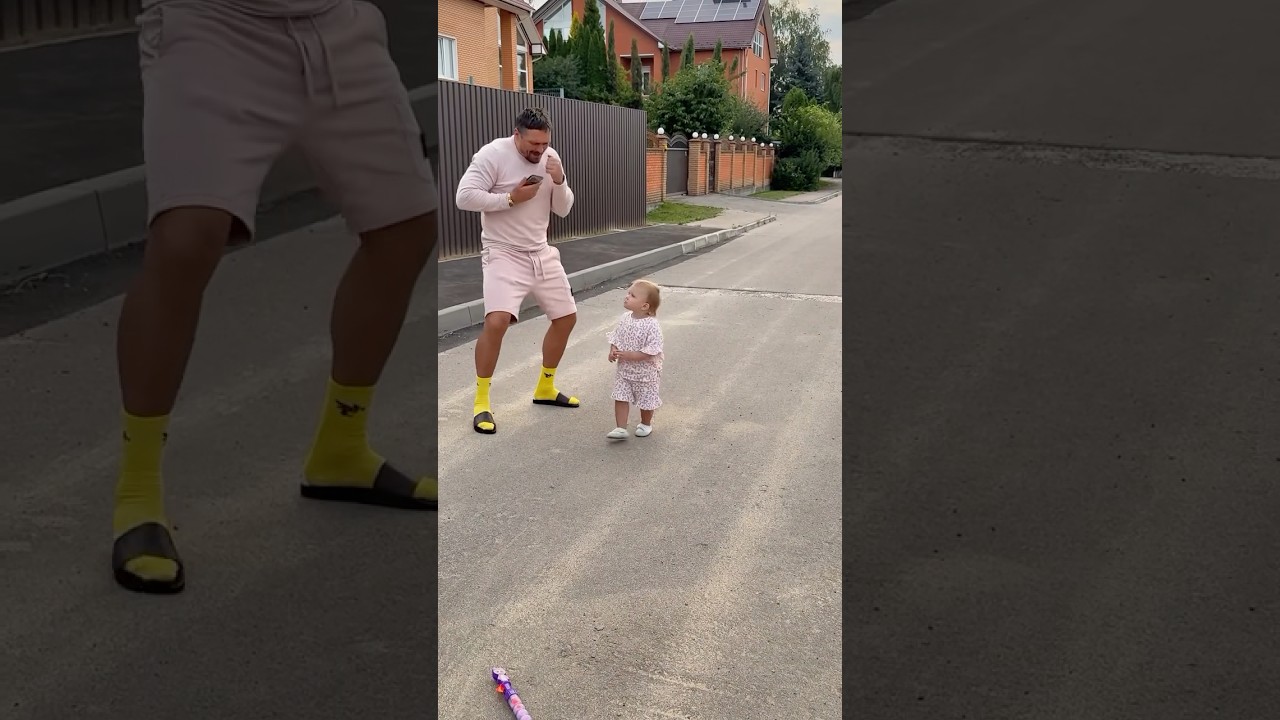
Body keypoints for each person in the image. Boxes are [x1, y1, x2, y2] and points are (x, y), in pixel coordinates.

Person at [111, 0, 439, 595]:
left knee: (405, 229)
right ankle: (137, 493)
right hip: (212, 24)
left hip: (340, 23)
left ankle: (340, 449)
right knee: (186, 238)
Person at [455, 108, 580, 435]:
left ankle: (545, 387)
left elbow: (563, 209)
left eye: (544, 144)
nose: (539, 151)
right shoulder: (492, 154)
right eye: (533, 144)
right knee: (496, 322)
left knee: (566, 317)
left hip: (540, 251)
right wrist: (509, 199)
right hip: (503, 252)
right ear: (517, 135)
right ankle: (481, 402)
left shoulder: (550, 157)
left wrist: (560, 179)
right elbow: (463, 197)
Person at [606, 279, 664, 440]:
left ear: (645, 306)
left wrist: (633, 355)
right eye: (627, 293)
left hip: (646, 374)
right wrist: (613, 350)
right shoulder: (625, 318)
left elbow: (653, 349)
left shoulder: (652, 325)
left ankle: (646, 423)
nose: (626, 297)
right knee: (620, 396)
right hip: (625, 371)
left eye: (632, 295)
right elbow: (617, 336)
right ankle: (620, 428)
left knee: (646, 400)